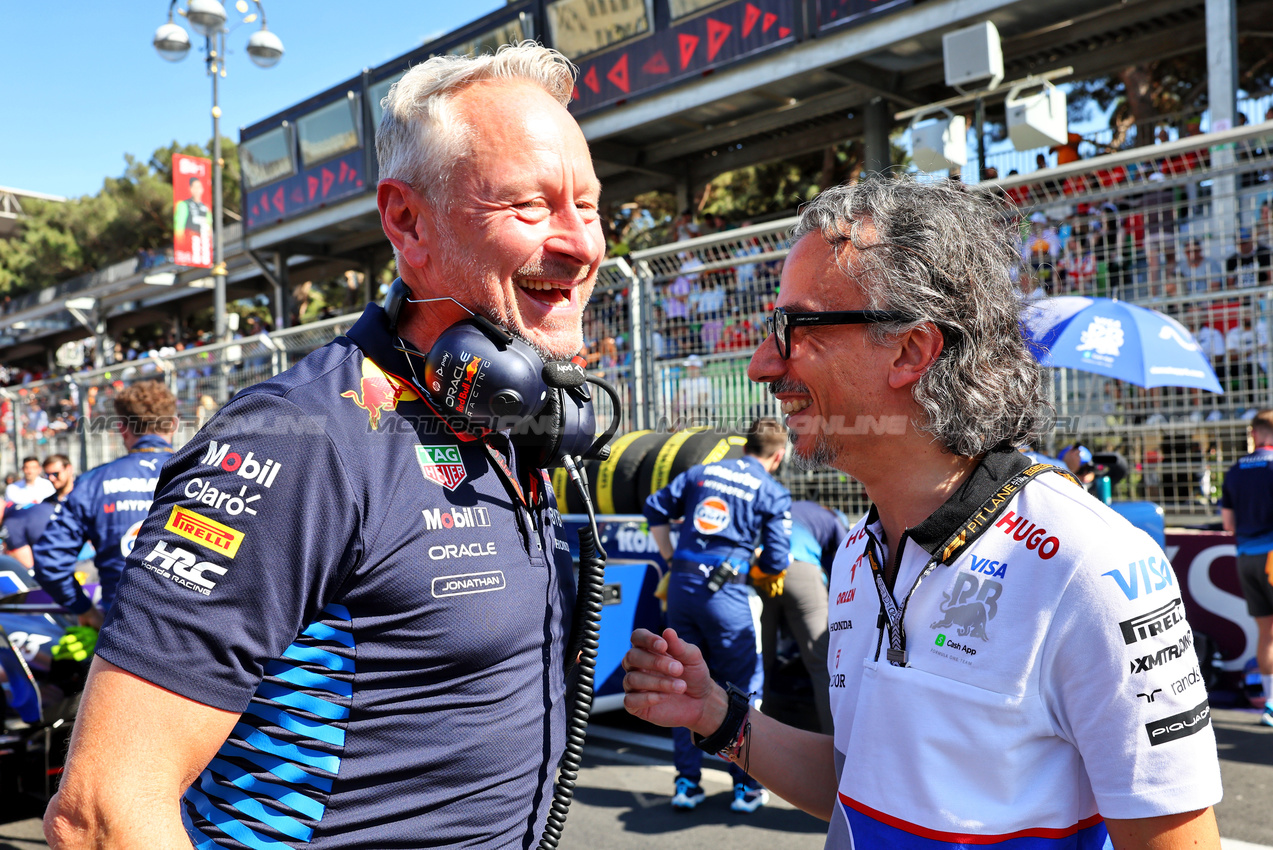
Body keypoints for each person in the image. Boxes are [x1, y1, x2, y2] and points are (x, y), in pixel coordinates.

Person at [45, 43, 604, 850]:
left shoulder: (513, 422)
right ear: (407, 221)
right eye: (531, 206)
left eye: (586, 207)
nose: (581, 244)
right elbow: (102, 813)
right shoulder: (299, 441)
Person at [622, 177, 1222, 848]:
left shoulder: (1087, 565)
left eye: (792, 329)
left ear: (911, 349)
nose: (763, 364)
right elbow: (865, 784)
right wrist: (718, 716)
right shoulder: (860, 549)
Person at [642, 417, 791, 813]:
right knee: (742, 688)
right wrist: (757, 568)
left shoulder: (701, 472)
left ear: (745, 447)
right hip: (726, 595)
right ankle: (745, 787)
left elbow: (654, 508)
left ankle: (687, 784)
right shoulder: (772, 491)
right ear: (777, 456)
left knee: (682, 683)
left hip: (683, 588)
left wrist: (672, 558)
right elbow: (777, 558)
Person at [32, 383, 176, 629]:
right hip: (197, 638)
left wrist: (85, 609)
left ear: (121, 428)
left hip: (123, 631)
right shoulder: (205, 476)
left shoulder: (93, 482)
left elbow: (49, 561)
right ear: (173, 423)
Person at [760, 499, 847, 735]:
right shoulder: (833, 519)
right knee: (822, 664)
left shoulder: (791, 506)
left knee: (761, 660)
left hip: (761, 568)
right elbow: (846, 560)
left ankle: (754, 736)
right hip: (800, 568)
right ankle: (835, 740)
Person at [1220, 409, 1273, 727]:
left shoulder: (1235, 469)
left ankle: (1270, 704)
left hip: (1246, 558)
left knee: (1266, 632)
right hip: (1271, 555)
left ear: (1254, 433)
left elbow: (1229, 525)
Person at [0, 455, 75, 570]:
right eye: (48, 475)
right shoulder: (13, 489)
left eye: (55, 474)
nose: (52, 479)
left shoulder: (49, 487)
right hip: (39, 544)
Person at [174, 176, 212, 267]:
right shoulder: (183, 205)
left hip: (203, 247)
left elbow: (209, 228)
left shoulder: (206, 208)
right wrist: (182, 246)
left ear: (202, 189)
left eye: (199, 187)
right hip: (189, 245)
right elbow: (179, 228)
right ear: (190, 189)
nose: (197, 190)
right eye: (194, 187)